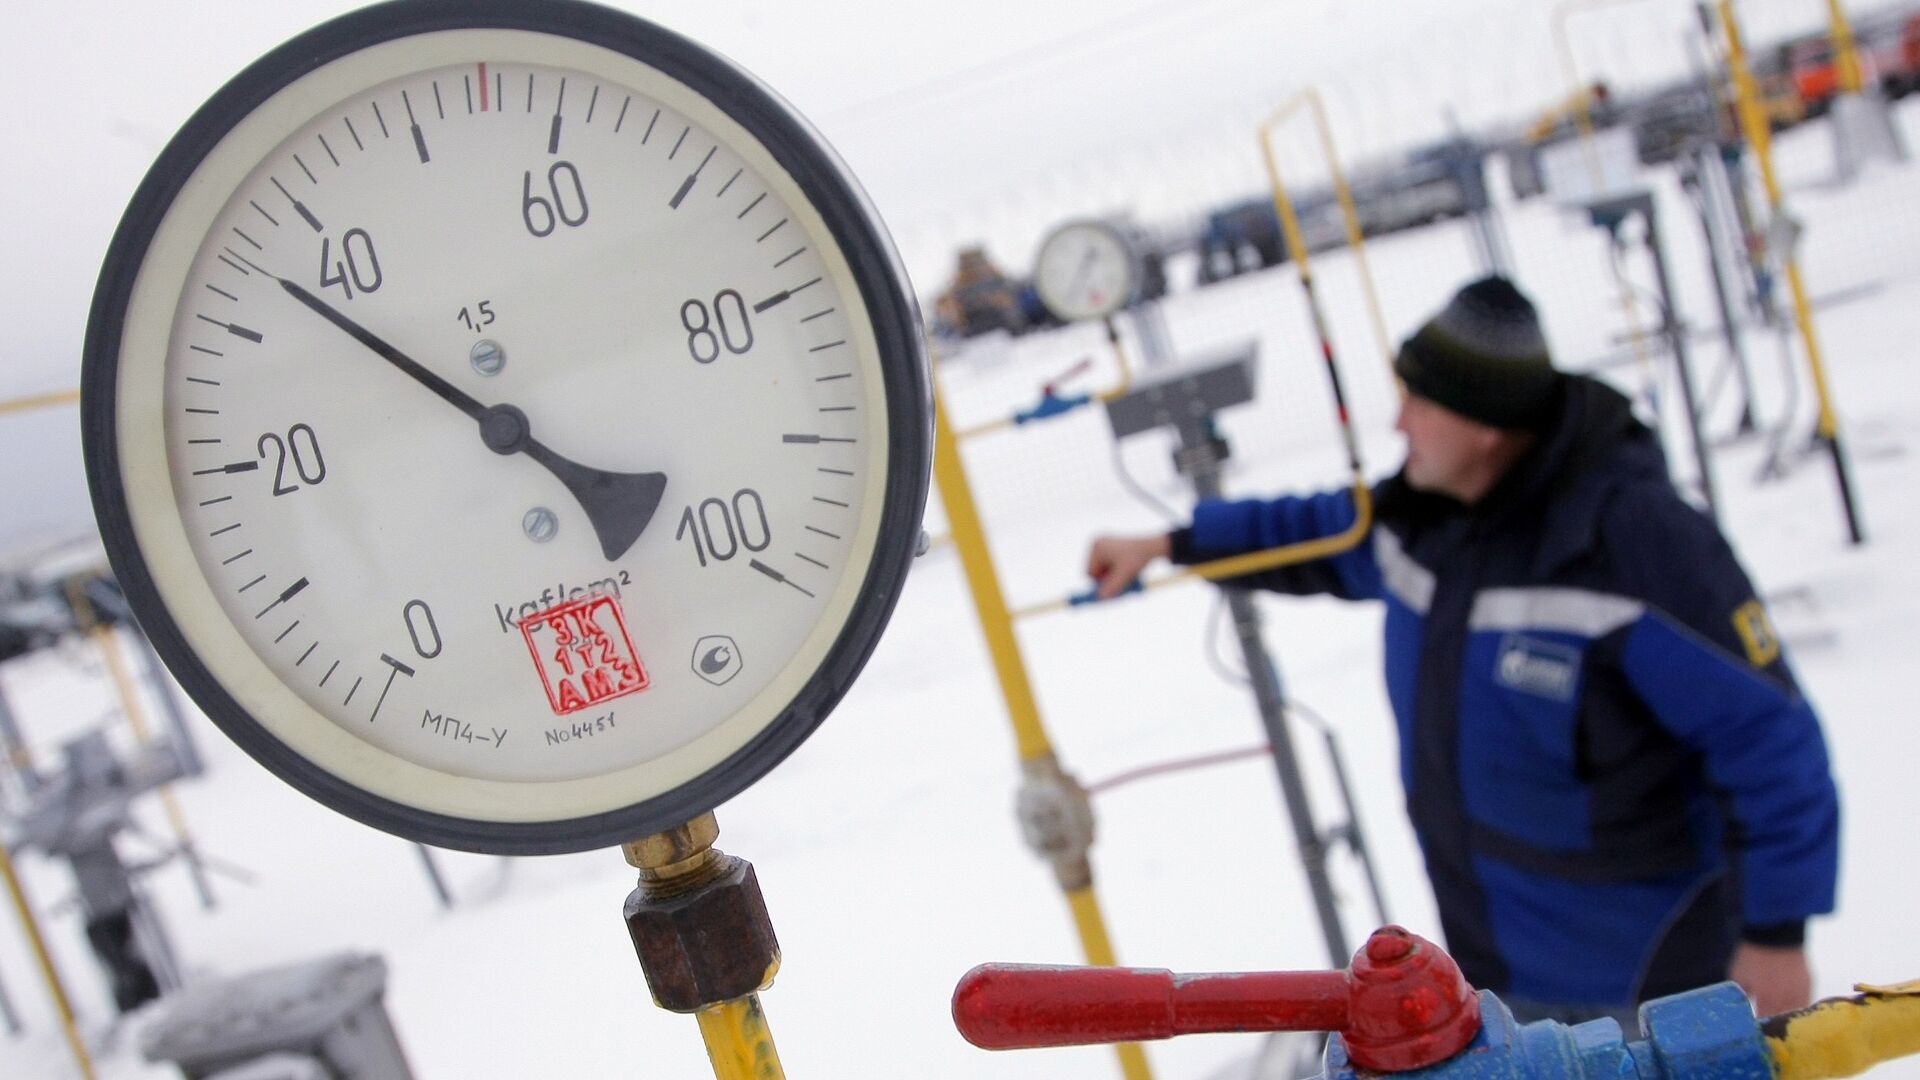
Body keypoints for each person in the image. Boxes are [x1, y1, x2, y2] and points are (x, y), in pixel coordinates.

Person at [1086, 276, 1838, 1024]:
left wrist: (1777, 933)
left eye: (1419, 403)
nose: (1399, 423)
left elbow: (1768, 738)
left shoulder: (1635, 543)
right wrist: (1171, 542)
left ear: (1486, 425)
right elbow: (1311, 532)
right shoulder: (1425, 520)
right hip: (1494, 962)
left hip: (1646, 975)